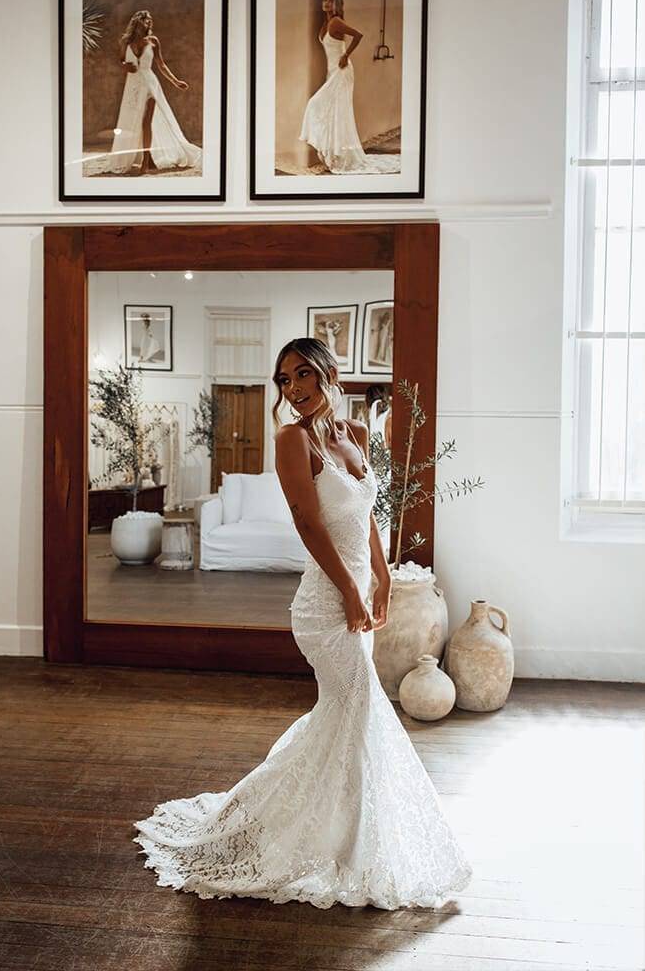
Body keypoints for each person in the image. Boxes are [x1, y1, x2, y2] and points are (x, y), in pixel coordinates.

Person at [132, 338, 472, 909]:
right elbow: (308, 527)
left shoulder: (357, 436)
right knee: (362, 710)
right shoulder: (292, 440)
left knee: (344, 720)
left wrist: (382, 577)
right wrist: (349, 593)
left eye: (302, 374)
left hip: (360, 590)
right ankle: (349, 843)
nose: (294, 388)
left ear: (328, 372)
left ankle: (335, 831)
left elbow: (365, 519)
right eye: (284, 380)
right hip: (324, 607)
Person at [86, 10, 202, 177]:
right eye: (145, 21)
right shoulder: (126, 41)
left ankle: (146, 161)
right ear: (137, 21)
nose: (148, 23)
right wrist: (126, 65)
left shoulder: (153, 41)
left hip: (149, 84)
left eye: (150, 21)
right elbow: (121, 60)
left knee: (146, 121)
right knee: (132, 121)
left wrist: (176, 82)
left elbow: (161, 65)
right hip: (132, 86)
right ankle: (149, 160)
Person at [299, 0, 401, 175]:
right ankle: (335, 155)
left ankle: (339, 156)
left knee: (327, 108)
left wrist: (346, 55)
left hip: (342, 71)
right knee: (333, 112)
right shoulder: (327, 22)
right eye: (324, 0)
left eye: (330, 0)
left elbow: (358, 35)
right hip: (333, 72)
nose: (326, 3)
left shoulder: (336, 21)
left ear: (337, 4)